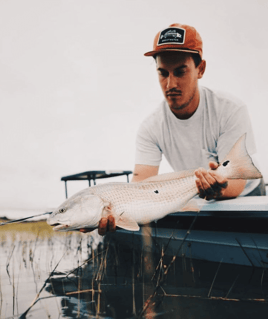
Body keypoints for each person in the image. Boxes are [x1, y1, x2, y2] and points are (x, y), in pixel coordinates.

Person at [81, 23, 265, 236]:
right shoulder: (150, 127)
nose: (170, 84)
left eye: (180, 72)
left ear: (201, 69)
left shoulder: (230, 109)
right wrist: (104, 214)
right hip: (200, 195)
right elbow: (140, 187)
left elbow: (236, 180)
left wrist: (220, 187)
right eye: (163, 73)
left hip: (251, 197)